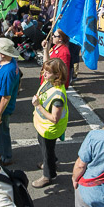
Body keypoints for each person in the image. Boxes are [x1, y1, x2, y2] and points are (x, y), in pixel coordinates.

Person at [32, 58, 70, 188]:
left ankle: (48, 175)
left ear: (57, 75)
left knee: (47, 151)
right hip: (43, 126)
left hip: (49, 129)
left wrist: (38, 106)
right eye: (44, 71)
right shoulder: (50, 82)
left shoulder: (58, 96)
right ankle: (52, 162)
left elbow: (55, 118)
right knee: (46, 149)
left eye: (48, 72)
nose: (44, 74)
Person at [0, 38, 21, 166]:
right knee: (1, 132)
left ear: (2, 53)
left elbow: (6, 96)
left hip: (1, 107)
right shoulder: (9, 62)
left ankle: (5, 157)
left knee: (2, 132)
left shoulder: (8, 71)